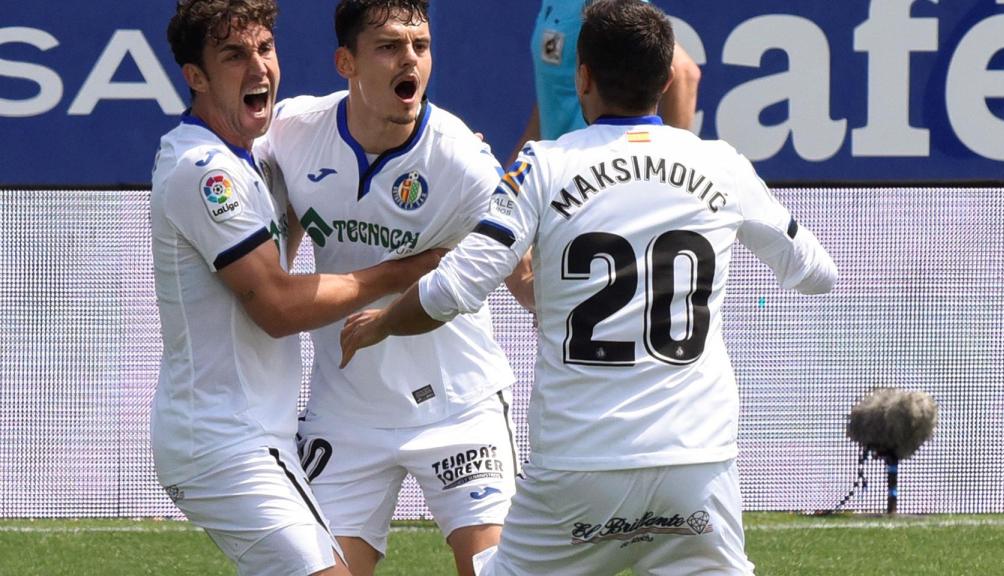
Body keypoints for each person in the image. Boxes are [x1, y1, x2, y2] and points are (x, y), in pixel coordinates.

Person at [339, 0, 839, 574]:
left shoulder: (541, 166)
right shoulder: (721, 165)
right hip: (697, 467)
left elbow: (454, 287)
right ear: (665, 77)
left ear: (582, 77)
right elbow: (818, 274)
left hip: (579, 468)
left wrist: (380, 323)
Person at [149, 2, 441, 574]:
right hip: (223, 441)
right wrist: (410, 267)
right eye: (234, 56)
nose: (258, 68)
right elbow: (278, 307)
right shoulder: (205, 172)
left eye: (265, 49)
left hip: (257, 433)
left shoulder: (254, 154)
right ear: (196, 77)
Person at [254, 1, 522, 575]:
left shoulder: (461, 159)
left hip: (459, 409)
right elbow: (273, 228)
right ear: (345, 61)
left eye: (420, 46)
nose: (411, 60)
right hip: (345, 409)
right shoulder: (293, 132)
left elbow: (524, 271)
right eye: (389, 46)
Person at [509, 0, 701, 165]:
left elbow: (684, 73)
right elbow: (553, 94)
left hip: (599, 186)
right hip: (557, 183)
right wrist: (509, 178)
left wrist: (667, 175)